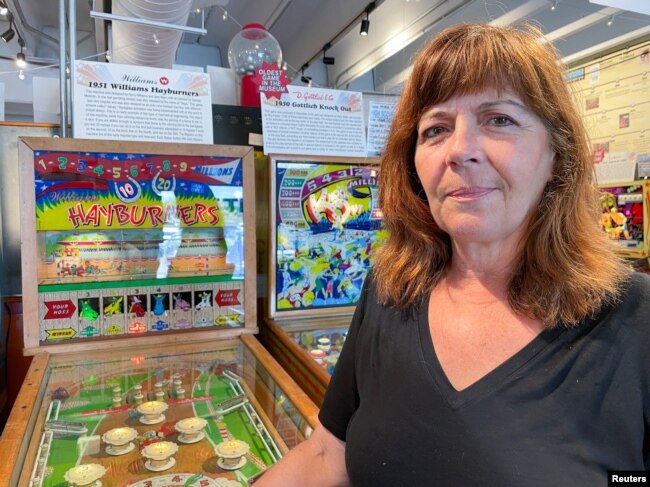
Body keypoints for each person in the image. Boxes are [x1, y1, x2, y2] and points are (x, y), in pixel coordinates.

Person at [255, 22, 650, 486]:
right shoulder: (389, 292)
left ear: (556, 157)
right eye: (436, 129)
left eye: (499, 119)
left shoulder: (636, 319)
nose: (460, 150)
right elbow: (328, 453)